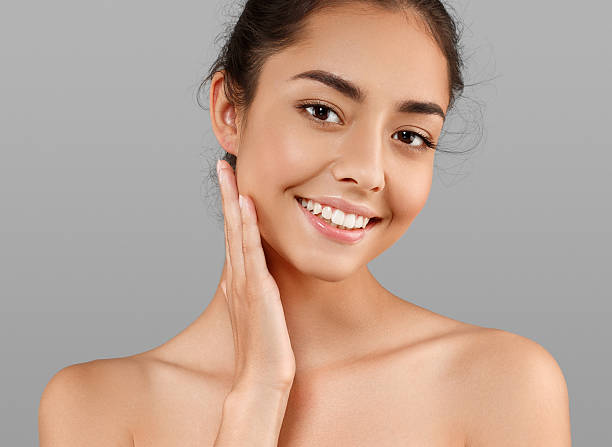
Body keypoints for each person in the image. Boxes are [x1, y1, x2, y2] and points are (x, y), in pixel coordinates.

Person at [38, 1, 572, 445]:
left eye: (410, 136)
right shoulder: (95, 408)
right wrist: (257, 396)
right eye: (322, 111)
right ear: (230, 111)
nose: (367, 172)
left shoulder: (503, 384)